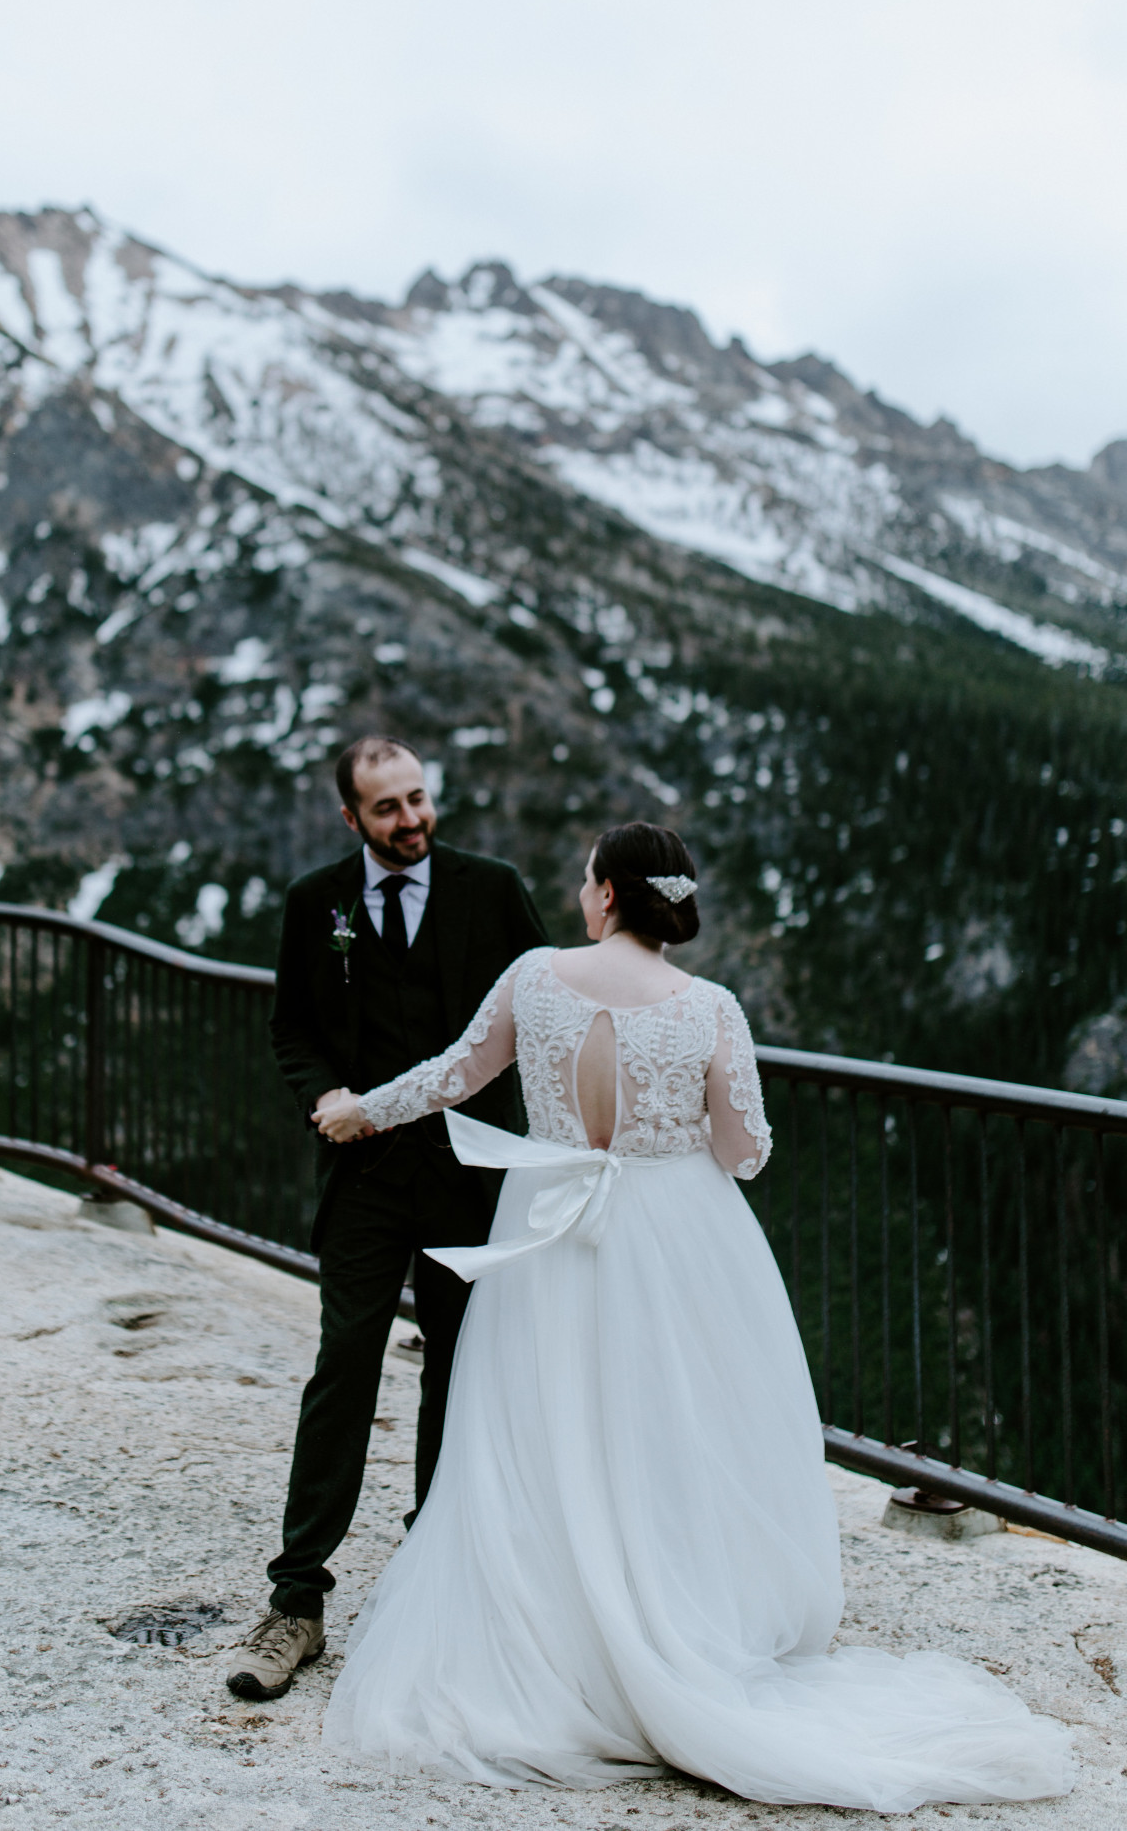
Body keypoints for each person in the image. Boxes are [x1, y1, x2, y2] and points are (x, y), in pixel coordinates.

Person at [312, 822, 1074, 1811]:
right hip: (667, 1231)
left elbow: (454, 1075)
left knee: (536, 1428)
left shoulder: (533, 977)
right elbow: (744, 1149)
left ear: (604, 896)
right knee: (667, 1428)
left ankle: (550, 1631)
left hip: (544, 1219)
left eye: (586, 877)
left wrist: (359, 1110)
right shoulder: (707, 1007)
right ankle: (667, 1614)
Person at [224, 735, 547, 1701]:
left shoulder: (492, 891)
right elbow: (292, 1028)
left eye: (418, 800)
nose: (410, 821)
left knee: (458, 1371)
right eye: (387, 809)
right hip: (363, 1179)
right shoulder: (311, 903)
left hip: (467, 1180)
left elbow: (543, 1014)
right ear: (349, 818)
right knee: (343, 1367)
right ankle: (295, 1602)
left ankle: (433, 1585)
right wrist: (322, 1096)